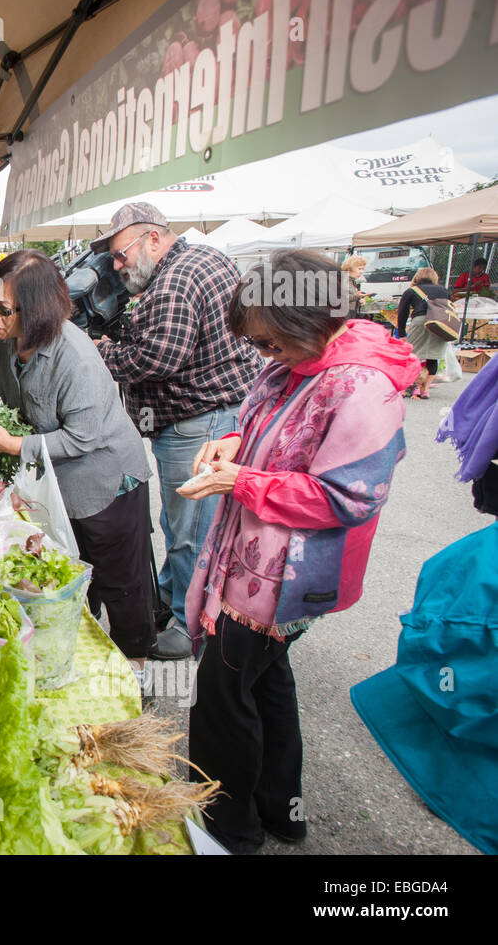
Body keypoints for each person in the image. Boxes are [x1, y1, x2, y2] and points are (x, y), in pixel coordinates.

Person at [181, 249, 418, 854]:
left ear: (310, 320)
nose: (264, 355)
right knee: (266, 683)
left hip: (280, 576)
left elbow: (347, 498)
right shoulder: (302, 360)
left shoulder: (362, 384)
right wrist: (231, 443)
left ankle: (228, 828)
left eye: (270, 343)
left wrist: (240, 481)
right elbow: (264, 420)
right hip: (256, 560)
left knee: (223, 696)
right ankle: (281, 812)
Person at [0, 249, 158, 680]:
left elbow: (81, 437)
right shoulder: (3, 343)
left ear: (34, 311)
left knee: (121, 582)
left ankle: (137, 669)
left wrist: (13, 445)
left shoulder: (75, 356)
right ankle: (77, 656)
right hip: (54, 484)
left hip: (107, 482)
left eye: (3, 310)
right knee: (69, 571)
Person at [93, 203, 262, 660]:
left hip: (197, 421)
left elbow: (156, 358)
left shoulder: (175, 280)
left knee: (189, 530)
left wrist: (99, 354)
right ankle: (171, 596)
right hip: (215, 415)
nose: (117, 265)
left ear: (152, 238)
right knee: (185, 522)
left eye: (121, 254)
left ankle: (191, 628)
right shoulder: (207, 257)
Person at [396, 267, 448, 399]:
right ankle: (425, 390)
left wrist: (402, 333)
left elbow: (403, 312)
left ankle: (409, 388)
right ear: (434, 277)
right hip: (439, 324)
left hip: (421, 322)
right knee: (433, 356)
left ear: (417, 277)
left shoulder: (412, 291)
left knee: (413, 355)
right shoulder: (443, 290)